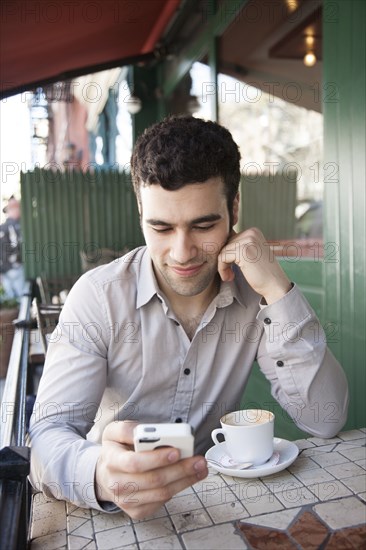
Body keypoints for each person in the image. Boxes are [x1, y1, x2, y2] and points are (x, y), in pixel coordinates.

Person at [29, 116, 349, 520]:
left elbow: (326, 419)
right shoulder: (97, 298)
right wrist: (99, 475)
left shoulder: (257, 294)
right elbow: (46, 437)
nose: (182, 253)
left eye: (203, 225)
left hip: (218, 504)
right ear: (140, 210)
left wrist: (278, 291)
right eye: (160, 227)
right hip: (112, 511)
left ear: (233, 208)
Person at [0, 195, 25, 302]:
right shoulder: (14, 226)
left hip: (5, 270)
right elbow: (16, 246)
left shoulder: (3, 227)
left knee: (11, 301)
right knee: (22, 299)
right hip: (14, 268)